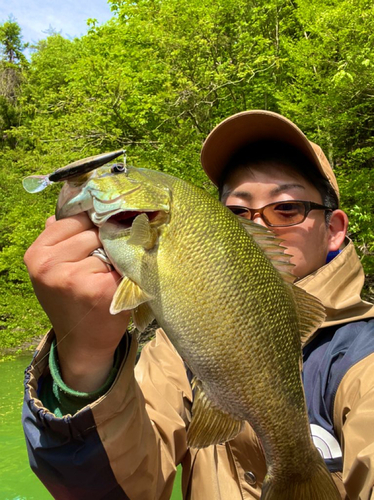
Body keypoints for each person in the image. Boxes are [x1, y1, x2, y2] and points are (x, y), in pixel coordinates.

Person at [23, 110, 374, 500]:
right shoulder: (174, 354)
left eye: (287, 208)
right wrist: (85, 356)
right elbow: (113, 492)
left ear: (334, 230)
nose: (260, 225)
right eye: (236, 213)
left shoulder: (365, 358)